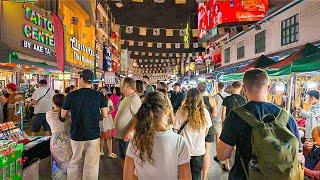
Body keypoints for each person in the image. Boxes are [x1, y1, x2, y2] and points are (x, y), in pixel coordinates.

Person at [217, 68, 302, 180]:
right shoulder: (286, 116)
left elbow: (222, 155)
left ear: (244, 89)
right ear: (269, 87)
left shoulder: (236, 116)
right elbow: (299, 156)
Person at [124, 91, 192, 180]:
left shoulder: (136, 140)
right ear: (167, 111)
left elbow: (127, 177)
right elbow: (185, 177)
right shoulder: (179, 141)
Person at [61, 69, 109, 180]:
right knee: (91, 165)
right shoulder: (99, 95)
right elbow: (105, 114)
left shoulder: (71, 95)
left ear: (81, 79)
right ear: (92, 81)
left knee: (75, 162)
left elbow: (63, 115)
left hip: (76, 133)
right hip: (93, 134)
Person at [174, 88, 212, 180]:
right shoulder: (204, 112)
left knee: (183, 176)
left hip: (183, 150)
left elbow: (175, 130)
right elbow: (206, 131)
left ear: (187, 98)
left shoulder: (181, 111)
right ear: (200, 98)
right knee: (196, 175)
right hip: (199, 150)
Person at [114, 77, 142, 167]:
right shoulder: (126, 98)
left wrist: (128, 132)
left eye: (123, 86)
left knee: (129, 161)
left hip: (127, 136)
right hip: (121, 135)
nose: (122, 88)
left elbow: (138, 118)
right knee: (123, 158)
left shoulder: (134, 99)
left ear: (128, 87)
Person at [46, 94, 72, 180]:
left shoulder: (49, 114)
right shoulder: (70, 115)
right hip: (68, 142)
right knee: (68, 164)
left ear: (54, 103)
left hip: (55, 142)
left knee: (57, 164)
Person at [197, 82, 217, 180]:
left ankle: (195, 174)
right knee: (207, 152)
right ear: (206, 89)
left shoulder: (195, 100)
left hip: (196, 127)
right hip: (208, 127)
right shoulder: (212, 99)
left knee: (196, 152)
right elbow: (214, 115)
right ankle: (204, 177)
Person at [213, 82, 229, 162]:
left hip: (217, 119)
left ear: (217, 87)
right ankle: (226, 156)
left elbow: (213, 110)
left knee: (217, 137)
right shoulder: (228, 96)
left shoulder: (214, 97)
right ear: (224, 87)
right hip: (226, 119)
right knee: (225, 138)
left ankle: (218, 155)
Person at [99, 87, 117, 158]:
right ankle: (101, 151)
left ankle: (110, 152)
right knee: (101, 136)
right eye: (101, 91)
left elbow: (112, 109)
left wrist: (106, 113)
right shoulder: (97, 100)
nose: (103, 92)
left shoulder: (108, 100)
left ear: (106, 92)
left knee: (109, 136)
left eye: (104, 91)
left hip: (107, 119)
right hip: (100, 119)